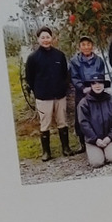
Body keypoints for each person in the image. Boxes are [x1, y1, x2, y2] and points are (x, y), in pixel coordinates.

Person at [22, 26, 76, 160]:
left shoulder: (59, 55)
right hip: (43, 96)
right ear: (38, 39)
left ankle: (66, 148)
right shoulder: (33, 58)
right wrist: (38, 91)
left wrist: (63, 87)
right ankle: (46, 152)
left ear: (52, 38)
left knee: (62, 121)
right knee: (45, 123)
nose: (45, 40)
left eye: (48, 37)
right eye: (43, 37)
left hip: (59, 95)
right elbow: (29, 78)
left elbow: (65, 74)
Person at [76, 77, 112, 167]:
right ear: (90, 86)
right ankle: (93, 151)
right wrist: (95, 139)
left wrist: (110, 137)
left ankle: (107, 150)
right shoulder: (84, 103)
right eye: (94, 83)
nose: (97, 86)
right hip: (93, 140)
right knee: (97, 163)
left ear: (104, 85)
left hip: (108, 138)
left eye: (100, 83)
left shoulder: (111, 100)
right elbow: (83, 124)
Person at [69, 35, 108, 106]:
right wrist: (83, 88)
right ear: (79, 47)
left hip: (97, 92)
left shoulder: (99, 60)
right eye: (83, 45)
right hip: (81, 94)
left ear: (92, 46)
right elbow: (74, 78)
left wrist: (96, 87)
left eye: (88, 44)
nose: (86, 47)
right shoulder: (74, 61)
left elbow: (101, 76)